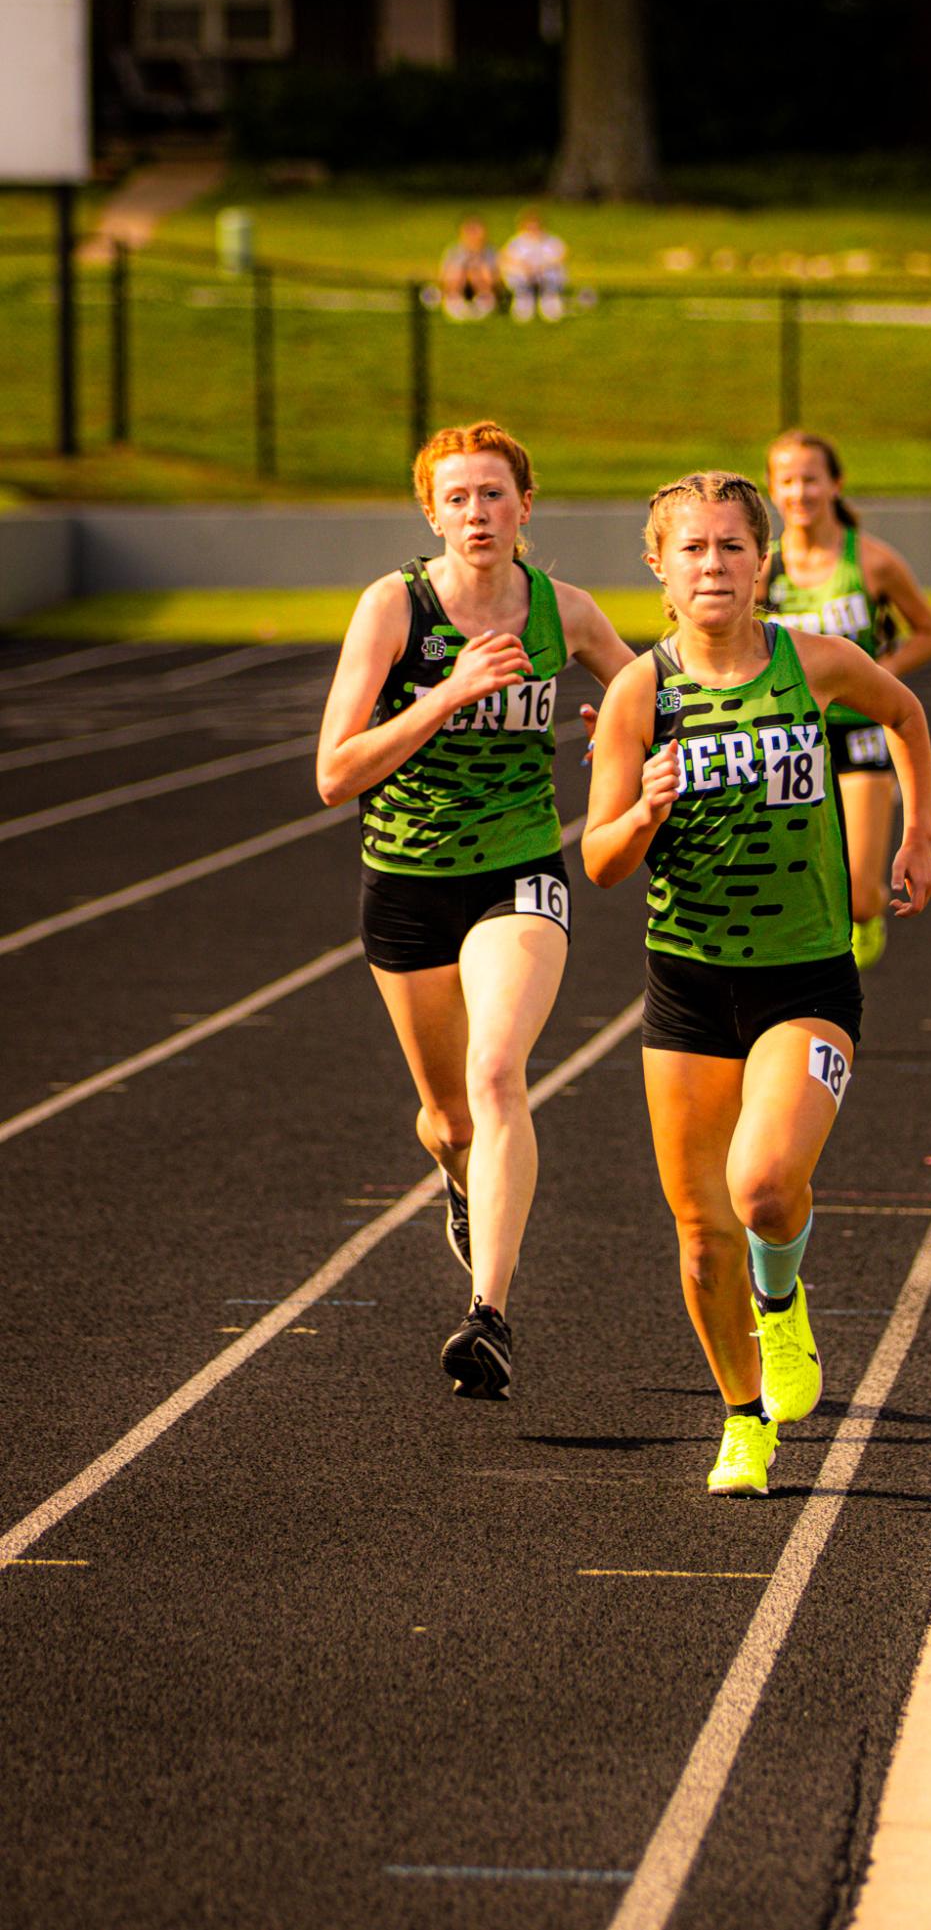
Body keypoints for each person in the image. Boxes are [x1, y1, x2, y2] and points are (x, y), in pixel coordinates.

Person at [583, 472, 931, 1496]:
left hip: (804, 979)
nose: (712, 566)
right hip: (689, 988)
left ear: (762, 561)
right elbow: (602, 860)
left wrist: (916, 835)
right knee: (700, 1239)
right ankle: (742, 1421)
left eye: (730, 547)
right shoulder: (638, 695)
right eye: (691, 549)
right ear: (657, 566)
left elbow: (907, 715)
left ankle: (779, 1306)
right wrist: (643, 812)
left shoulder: (813, 662)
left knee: (764, 1188)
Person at [316, 420, 634, 1397]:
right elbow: (333, 774)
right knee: (449, 1117)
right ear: (431, 513)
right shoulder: (394, 608)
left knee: (498, 1073)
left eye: (492, 494)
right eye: (455, 498)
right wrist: (444, 696)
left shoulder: (563, 611)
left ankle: (487, 1316)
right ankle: (461, 1180)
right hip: (406, 879)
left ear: (524, 506)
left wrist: (612, 727)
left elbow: (649, 696)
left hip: (519, 870)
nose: (476, 513)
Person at [759, 430, 931, 972]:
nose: (800, 492)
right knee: (786, 881)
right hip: (790, 736)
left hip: (860, 731)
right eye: (788, 481)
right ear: (773, 489)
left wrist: (881, 673)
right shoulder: (760, 570)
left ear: (835, 483)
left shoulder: (872, 561)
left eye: (811, 478)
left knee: (864, 897)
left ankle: (858, 924)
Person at [500, 209, 568, 323]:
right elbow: (505, 257)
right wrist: (523, 266)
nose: (533, 230)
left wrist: (544, 266)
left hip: (545, 276)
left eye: (536, 226)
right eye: (530, 226)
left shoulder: (551, 241)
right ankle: (524, 299)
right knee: (515, 273)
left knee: (553, 273)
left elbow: (561, 256)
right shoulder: (516, 242)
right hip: (524, 277)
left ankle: (549, 300)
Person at [439, 218, 501, 320]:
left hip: (483, 285)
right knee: (458, 271)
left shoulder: (490, 252)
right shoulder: (454, 251)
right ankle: (454, 301)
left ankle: (484, 301)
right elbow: (444, 276)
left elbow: (495, 277)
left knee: (480, 271)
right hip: (459, 285)